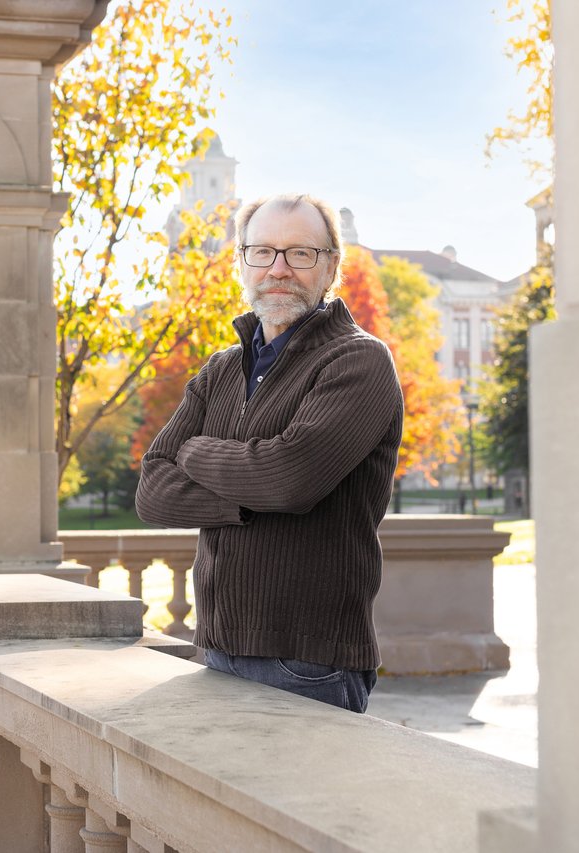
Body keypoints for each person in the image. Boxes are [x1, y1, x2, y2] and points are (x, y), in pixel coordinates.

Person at [135, 193, 403, 713]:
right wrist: (250, 492)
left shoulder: (358, 361)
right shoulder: (220, 369)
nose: (279, 269)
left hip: (308, 662)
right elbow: (152, 492)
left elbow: (287, 479)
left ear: (330, 267)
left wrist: (193, 450)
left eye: (300, 253)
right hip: (215, 648)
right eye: (263, 252)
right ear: (241, 262)